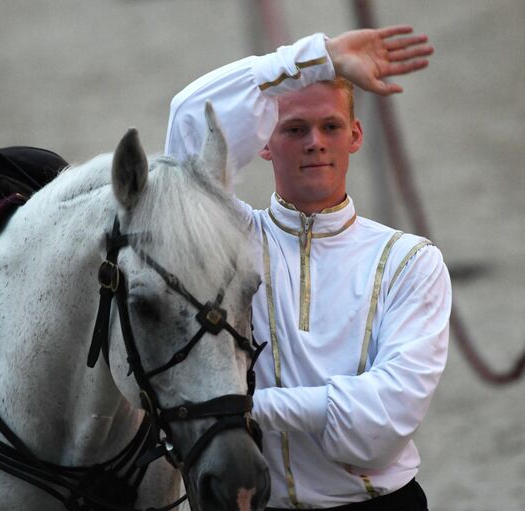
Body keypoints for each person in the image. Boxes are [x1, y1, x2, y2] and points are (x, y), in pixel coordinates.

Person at [165, 26, 451, 510]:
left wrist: (244, 408)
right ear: (263, 143)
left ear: (354, 136)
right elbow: (187, 119)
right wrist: (316, 57)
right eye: (295, 129)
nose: (315, 142)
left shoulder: (411, 260)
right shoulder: (229, 239)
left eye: (330, 127)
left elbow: (385, 420)